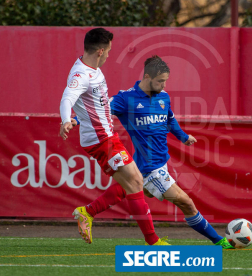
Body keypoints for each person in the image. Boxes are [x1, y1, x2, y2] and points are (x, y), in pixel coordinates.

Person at [72, 55, 234, 249]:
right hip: (152, 168)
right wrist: (76, 120)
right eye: (160, 81)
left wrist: (183, 137)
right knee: (186, 203)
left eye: (165, 81)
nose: (164, 85)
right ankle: (219, 241)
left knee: (126, 189)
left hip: (154, 163)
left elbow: (170, 120)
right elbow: (100, 111)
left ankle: (87, 211)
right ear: (147, 76)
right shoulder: (126, 98)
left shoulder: (163, 97)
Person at [59, 28, 169, 246]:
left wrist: (77, 118)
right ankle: (153, 242)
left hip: (107, 136)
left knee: (134, 180)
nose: (109, 54)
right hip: (101, 141)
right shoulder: (81, 75)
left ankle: (87, 212)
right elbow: (66, 98)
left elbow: (95, 103)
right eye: (108, 50)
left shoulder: (93, 69)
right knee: (136, 182)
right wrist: (65, 119)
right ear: (100, 51)